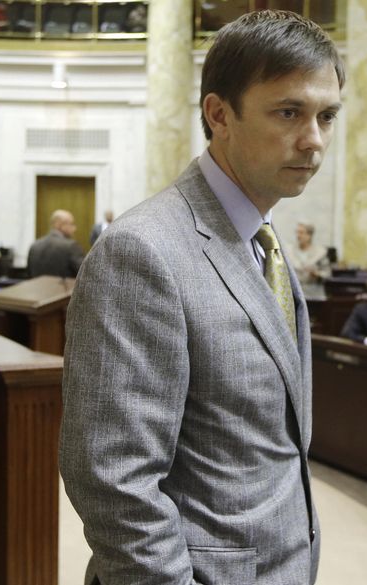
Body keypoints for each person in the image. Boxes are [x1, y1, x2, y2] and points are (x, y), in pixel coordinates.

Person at [60, 11, 344, 585]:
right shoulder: (142, 251)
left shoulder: (261, 237)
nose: (313, 140)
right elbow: (114, 482)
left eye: (327, 116)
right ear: (219, 115)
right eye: (288, 112)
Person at [27, 209, 84, 278]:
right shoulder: (71, 246)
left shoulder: (34, 246)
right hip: (65, 288)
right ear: (58, 224)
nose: (74, 228)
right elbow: (84, 275)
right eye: (71, 224)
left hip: (37, 288)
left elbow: (29, 275)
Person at [290, 222, 331, 286]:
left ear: (309, 235)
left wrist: (317, 274)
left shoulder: (320, 252)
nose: (298, 236)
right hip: (294, 291)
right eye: (297, 232)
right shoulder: (289, 251)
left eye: (301, 233)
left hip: (314, 292)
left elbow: (327, 274)